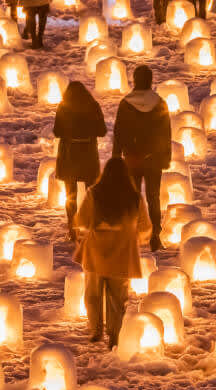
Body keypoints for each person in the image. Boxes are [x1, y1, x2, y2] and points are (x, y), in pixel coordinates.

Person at [74, 157, 151, 347]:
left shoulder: (94, 193)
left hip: (95, 252)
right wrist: (136, 237)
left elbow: (81, 220)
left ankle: (95, 329)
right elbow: (145, 226)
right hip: (122, 254)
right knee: (118, 298)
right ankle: (114, 335)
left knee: (92, 294)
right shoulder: (134, 198)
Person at [112, 65, 171, 252]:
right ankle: (155, 235)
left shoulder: (126, 103)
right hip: (153, 159)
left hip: (132, 158)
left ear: (135, 80)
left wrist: (116, 156)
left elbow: (119, 132)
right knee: (154, 197)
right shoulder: (159, 103)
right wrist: (165, 157)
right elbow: (165, 132)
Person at [54, 81, 107, 238]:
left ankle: (72, 228)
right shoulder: (93, 106)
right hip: (88, 155)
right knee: (91, 192)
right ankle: (93, 225)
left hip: (69, 156)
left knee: (71, 194)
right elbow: (102, 131)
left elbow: (57, 131)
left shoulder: (64, 107)